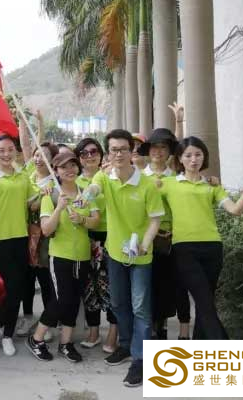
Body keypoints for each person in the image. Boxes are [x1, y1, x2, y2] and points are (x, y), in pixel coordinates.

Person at [160, 137, 243, 340]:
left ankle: (200, 347)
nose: (194, 159)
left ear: (204, 157)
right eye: (188, 155)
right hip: (184, 249)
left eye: (198, 154)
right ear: (180, 158)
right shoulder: (167, 184)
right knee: (205, 303)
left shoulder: (212, 186)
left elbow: (235, 210)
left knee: (206, 303)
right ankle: (224, 347)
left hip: (212, 248)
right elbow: (145, 200)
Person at [82, 129, 164, 388]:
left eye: (123, 149)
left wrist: (145, 245)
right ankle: (126, 345)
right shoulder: (105, 179)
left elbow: (155, 220)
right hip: (115, 254)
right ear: (109, 153)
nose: (118, 154)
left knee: (140, 307)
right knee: (118, 303)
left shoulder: (147, 184)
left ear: (132, 151)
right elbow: (94, 188)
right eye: (113, 150)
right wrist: (85, 197)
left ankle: (140, 359)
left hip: (140, 257)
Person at [27, 152, 100, 363]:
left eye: (73, 165)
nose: (69, 170)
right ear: (56, 171)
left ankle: (65, 343)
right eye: (63, 167)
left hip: (82, 256)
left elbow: (95, 220)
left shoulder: (86, 192)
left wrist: (82, 220)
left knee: (74, 301)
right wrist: (59, 208)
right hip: (60, 256)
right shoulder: (50, 195)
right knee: (61, 300)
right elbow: (46, 229)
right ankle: (36, 338)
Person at [0, 134, 33, 357]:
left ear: (16, 152)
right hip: (0, 239)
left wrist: (47, 192)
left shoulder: (23, 176)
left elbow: (32, 204)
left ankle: (7, 335)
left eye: (10, 149)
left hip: (21, 236)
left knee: (17, 289)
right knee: (14, 287)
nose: (6, 154)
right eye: (1, 150)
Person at [74, 137, 118, 353]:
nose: (89, 156)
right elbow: (75, 205)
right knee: (89, 286)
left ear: (101, 154)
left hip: (112, 237)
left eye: (94, 151)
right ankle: (93, 330)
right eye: (84, 153)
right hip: (85, 238)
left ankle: (113, 332)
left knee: (112, 287)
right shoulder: (74, 181)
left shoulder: (112, 177)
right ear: (79, 158)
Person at [137, 128, 181, 340]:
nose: (158, 151)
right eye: (154, 147)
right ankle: (147, 329)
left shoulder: (176, 177)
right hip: (145, 238)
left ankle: (160, 327)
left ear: (169, 151)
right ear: (148, 150)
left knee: (166, 285)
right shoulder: (139, 177)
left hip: (169, 238)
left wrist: (178, 122)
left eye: (163, 147)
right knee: (146, 286)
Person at [16, 142, 58, 340]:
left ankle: (46, 322)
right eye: (37, 154)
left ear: (52, 160)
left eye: (45, 155)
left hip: (45, 238)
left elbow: (34, 207)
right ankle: (27, 317)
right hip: (25, 234)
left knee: (45, 279)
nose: (39, 159)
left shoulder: (55, 183)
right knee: (27, 280)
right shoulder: (28, 177)